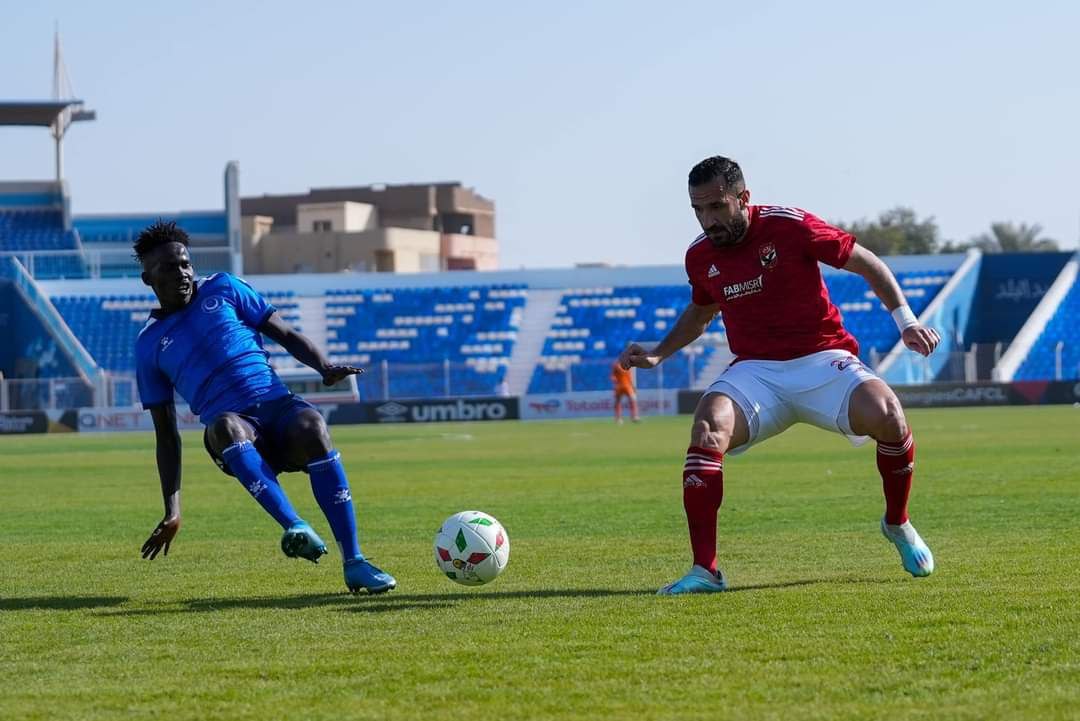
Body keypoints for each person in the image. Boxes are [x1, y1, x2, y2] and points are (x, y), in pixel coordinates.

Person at [619, 156, 940, 595]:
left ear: (743, 198)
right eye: (698, 209)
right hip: (757, 372)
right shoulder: (700, 256)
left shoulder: (790, 226)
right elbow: (702, 311)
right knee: (708, 426)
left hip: (823, 358)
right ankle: (705, 570)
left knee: (889, 414)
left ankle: (897, 522)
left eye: (716, 206)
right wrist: (658, 353)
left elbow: (867, 263)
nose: (708, 219)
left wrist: (906, 322)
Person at [133, 220, 395, 594]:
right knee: (224, 426)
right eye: (169, 268)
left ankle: (355, 562)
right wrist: (172, 509)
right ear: (148, 279)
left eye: (185, 263)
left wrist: (324, 367)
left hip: (278, 410)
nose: (182, 273)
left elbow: (285, 333)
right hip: (238, 431)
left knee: (313, 425)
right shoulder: (149, 344)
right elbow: (166, 435)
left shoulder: (225, 287)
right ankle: (295, 526)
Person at [610, 359, 640, 424]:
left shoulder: (628, 366)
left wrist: (633, 386)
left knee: (633, 401)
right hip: (620, 386)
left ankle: (634, 416)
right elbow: (612, 376)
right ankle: (618, 418)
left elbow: (630, 377)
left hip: (627, 386)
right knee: (618, 402)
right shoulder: (616, 365)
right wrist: (614, 379)